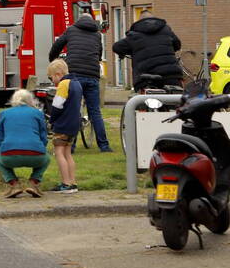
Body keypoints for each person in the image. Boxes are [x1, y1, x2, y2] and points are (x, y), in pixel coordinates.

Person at [49, 13, 113, 152]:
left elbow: (57, 45)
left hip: (75, 76)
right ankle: (104, 146)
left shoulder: (71, 29)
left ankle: (71, 146)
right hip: (92, 76)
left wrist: (53, 60)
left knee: (73, 109)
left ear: (78, 20)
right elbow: (99, 53)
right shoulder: (97, 34)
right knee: (95, 112)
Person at [0, 89, 50, 198]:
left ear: (13, 100)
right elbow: (44, 137)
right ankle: (34, 182)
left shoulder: (4, 113)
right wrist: (39, 147)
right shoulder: (38, 113)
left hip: (8, 155)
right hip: (36, 156)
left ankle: (14, 184)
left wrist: (4, 148)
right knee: (47, 158)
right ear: (30, 100)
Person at [113, 11, 182, 92]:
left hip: (147, 78)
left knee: (143, 102)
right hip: (172, 75)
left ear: (139, 22)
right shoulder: (166, 30)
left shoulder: (134, 35)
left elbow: (116, 47)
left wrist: (130, 51)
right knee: (176, 100)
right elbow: (177, 45)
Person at [46, 58, 82, 194]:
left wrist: (52, 119)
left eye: (52, 78)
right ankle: (73, 182)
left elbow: (57, 105)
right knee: (68, 153)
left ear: (58, 74)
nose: (53, 82)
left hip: (63, 123)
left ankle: (65, 183)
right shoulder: (77, 83)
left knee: (59, 152)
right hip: (74, 124)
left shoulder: (63, 84)